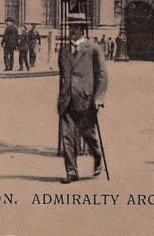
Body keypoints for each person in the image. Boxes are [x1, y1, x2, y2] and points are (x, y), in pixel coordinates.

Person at [57, 13, 108, 183]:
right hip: (67, 101)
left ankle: (97, 156)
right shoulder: (64, 51)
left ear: (82, 29)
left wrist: (99, 97)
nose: (72, 30)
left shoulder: (93, 48)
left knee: (88, 135)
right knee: (67, 137)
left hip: (86, 101)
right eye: (70, 27)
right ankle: (72, 171)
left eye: (76, 27)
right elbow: (63, 75)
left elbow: (101, 75)